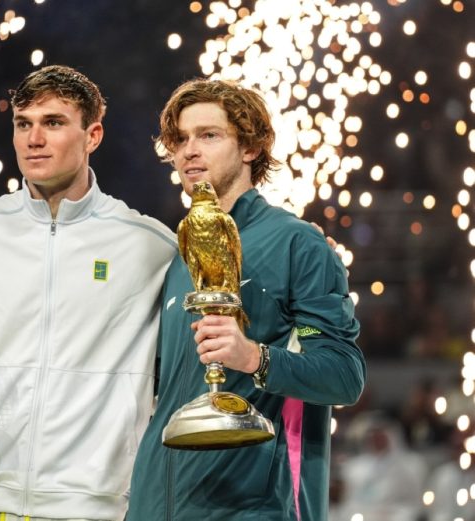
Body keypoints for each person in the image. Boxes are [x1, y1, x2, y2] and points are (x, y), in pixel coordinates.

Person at [0, 65, 178, 521]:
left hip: (87, 507)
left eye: (53, 123)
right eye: (23, 124)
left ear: (93, 135)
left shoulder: (149, 246)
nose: (33, 139)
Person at [126, 79, 366, 520]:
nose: (189, 151)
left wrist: (254, 357)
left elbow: (344, 375)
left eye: (209, 135)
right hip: (156, 504)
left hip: (252, 508)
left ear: (251, 148)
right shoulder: (178, 253)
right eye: (180, 139)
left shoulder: (298, 243)